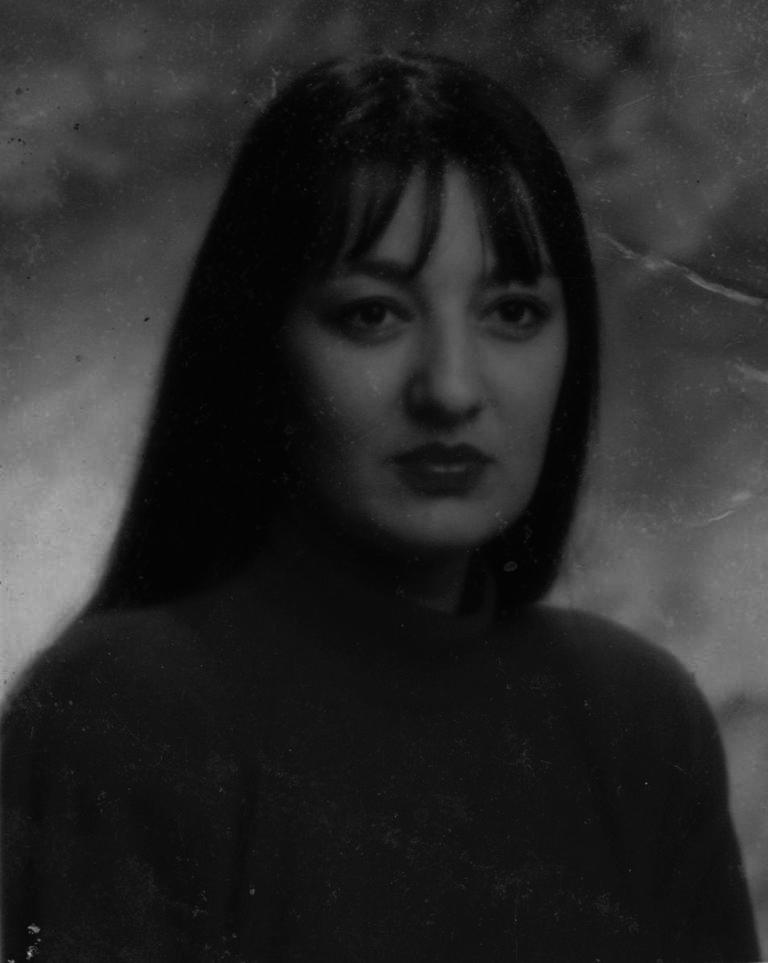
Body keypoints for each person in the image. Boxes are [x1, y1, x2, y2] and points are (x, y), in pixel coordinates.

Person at [2, 51, 759, 963]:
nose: (451, 388)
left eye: (513, 312)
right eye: (373, 315)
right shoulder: (123, 712)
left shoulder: (637, 720)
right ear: (260, 342)